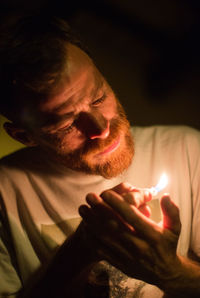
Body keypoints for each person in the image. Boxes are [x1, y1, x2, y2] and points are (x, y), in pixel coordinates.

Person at [0, 13, 200, 298]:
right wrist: (81, 249)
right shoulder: (4, 195)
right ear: (24, 136)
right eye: (67, 124)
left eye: (98, 97)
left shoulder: (187, 149)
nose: (101, 128)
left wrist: (171, 272)